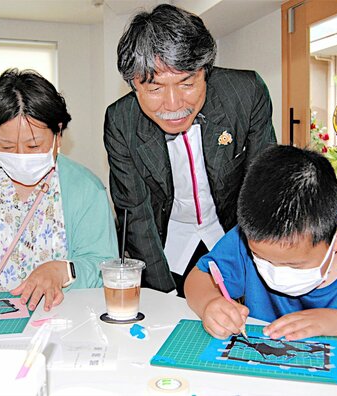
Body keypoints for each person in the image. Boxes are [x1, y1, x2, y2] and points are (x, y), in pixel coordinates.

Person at [185, 145, 337, 367]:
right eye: (260, 258)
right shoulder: (252, 235)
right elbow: (200, 276)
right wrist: (210, 303)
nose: (274, 270)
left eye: (294, 264)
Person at [104, 3, 277, 296]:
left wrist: (251, 272)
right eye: (155, 89)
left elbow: (263, 191)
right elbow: (136, 215)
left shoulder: (246, 94)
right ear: (134, 85)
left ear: (205, 72)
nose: (173, 105)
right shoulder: (121, 121)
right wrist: (163, 295)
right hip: (166, 245)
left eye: (186, 82)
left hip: (234, 239)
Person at [0, 68, 118, 314]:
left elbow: (103, 265)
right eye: (7, 146)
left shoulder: (86, 188)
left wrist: (63, 271)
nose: (21, 157)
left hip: (61, 320)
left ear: (59, 134)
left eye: (34, 145)